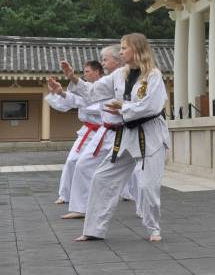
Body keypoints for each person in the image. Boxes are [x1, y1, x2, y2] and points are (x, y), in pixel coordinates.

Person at [61, 33, 169, 242]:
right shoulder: (119, 74)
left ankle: (153, 228)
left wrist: (123, 107)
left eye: (124, 48)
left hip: (151, 135)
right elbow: (93, 92)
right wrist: (74, 78)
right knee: (102, 177)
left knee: (147, 186)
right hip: (127, 134)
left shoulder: (153, 75)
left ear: (137, 49)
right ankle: (93, 230)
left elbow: (152, 106)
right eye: (120, 48)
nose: (121, 52)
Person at [52, 45, 138, 220]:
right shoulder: (109, 80)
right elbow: (90, 93)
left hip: (128, 131)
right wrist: (71, 80)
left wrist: (125, 109)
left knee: (138, 172)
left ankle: (144, 207)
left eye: (105, 59)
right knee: (82, 164)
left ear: (118, 60)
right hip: (105, 132)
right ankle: (81, 208)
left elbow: (145, 103)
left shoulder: (135, 76)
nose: (103, 62)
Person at [47, 61, 104, 205]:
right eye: (83, 72)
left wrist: (72, 80)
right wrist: (59, 92)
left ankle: (127, 192)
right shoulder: (83, 88)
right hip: (88, 131)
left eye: (87, 71)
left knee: (121, 163)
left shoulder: (107, 85)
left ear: (97, 72)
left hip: (107, 131)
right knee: (72, 160)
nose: (84, 74)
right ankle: (64, 194)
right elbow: (72, 102)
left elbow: (96, 105)